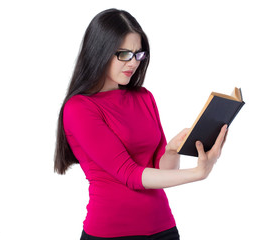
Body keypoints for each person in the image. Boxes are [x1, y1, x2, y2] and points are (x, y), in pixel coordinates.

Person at [54, 8, 228, 240]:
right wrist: (198, 173)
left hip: (163, 229)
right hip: (112, 234)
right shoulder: (79, 108)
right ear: (99, 51)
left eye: (138, 54)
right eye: (123, 54)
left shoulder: (144, 97)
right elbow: (131, 175)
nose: (133, 63)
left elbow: (162, 172)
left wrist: (171, 150)